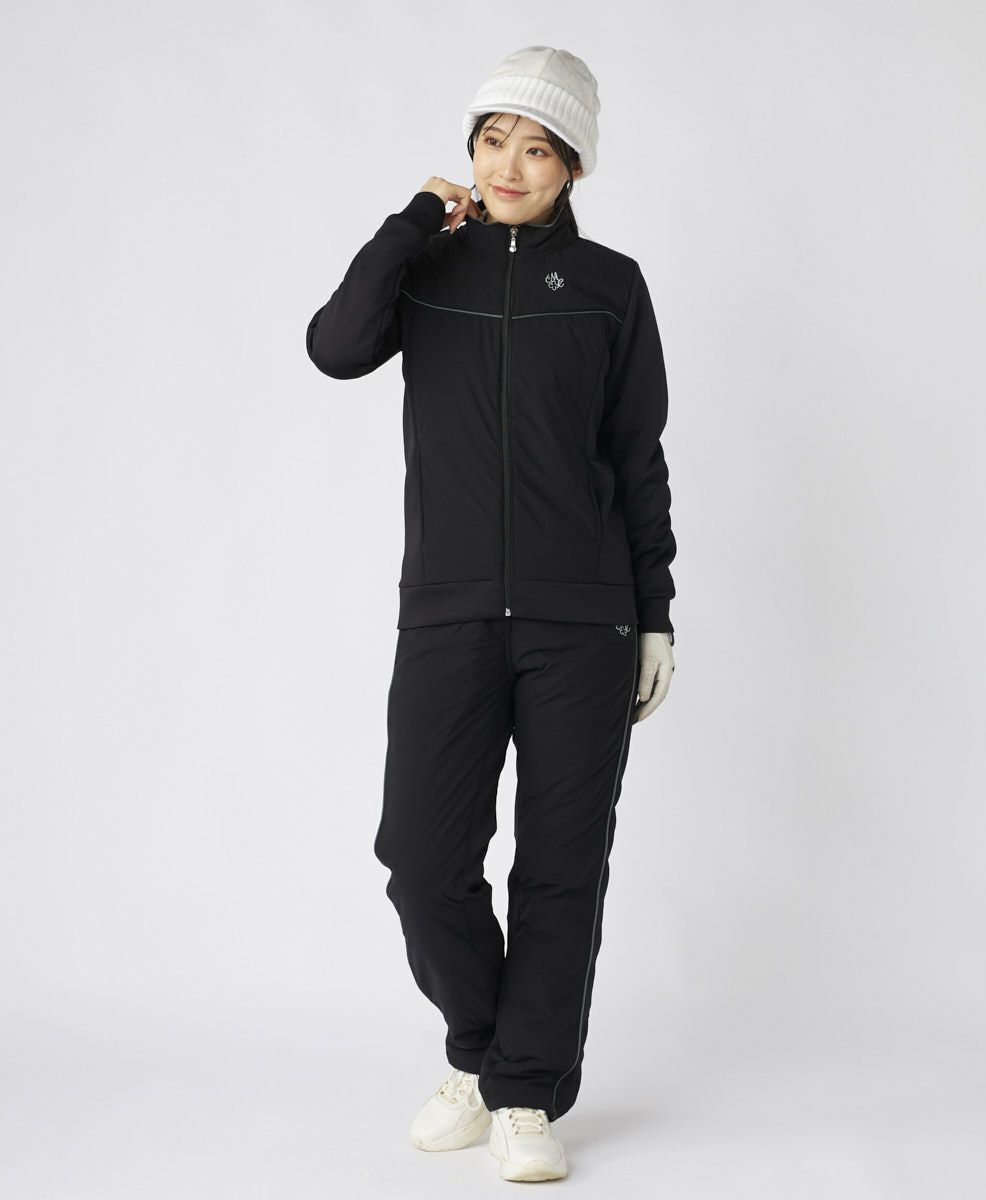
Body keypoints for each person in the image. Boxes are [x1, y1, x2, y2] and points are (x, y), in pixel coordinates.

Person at [305, 45, 677, 1183]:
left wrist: (654, 614)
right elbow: (334, 347)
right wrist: (413, 220)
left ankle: (523, 1095)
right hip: (450, 615)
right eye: (492, 139)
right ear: (469, 148)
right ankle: (482, 1051)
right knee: (420, 859)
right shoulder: (426, 268)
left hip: (584, 624)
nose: (508, 165)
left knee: (561, 869)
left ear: (573, 168)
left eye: (537, 148)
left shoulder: (610, 286)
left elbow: (637, 458)